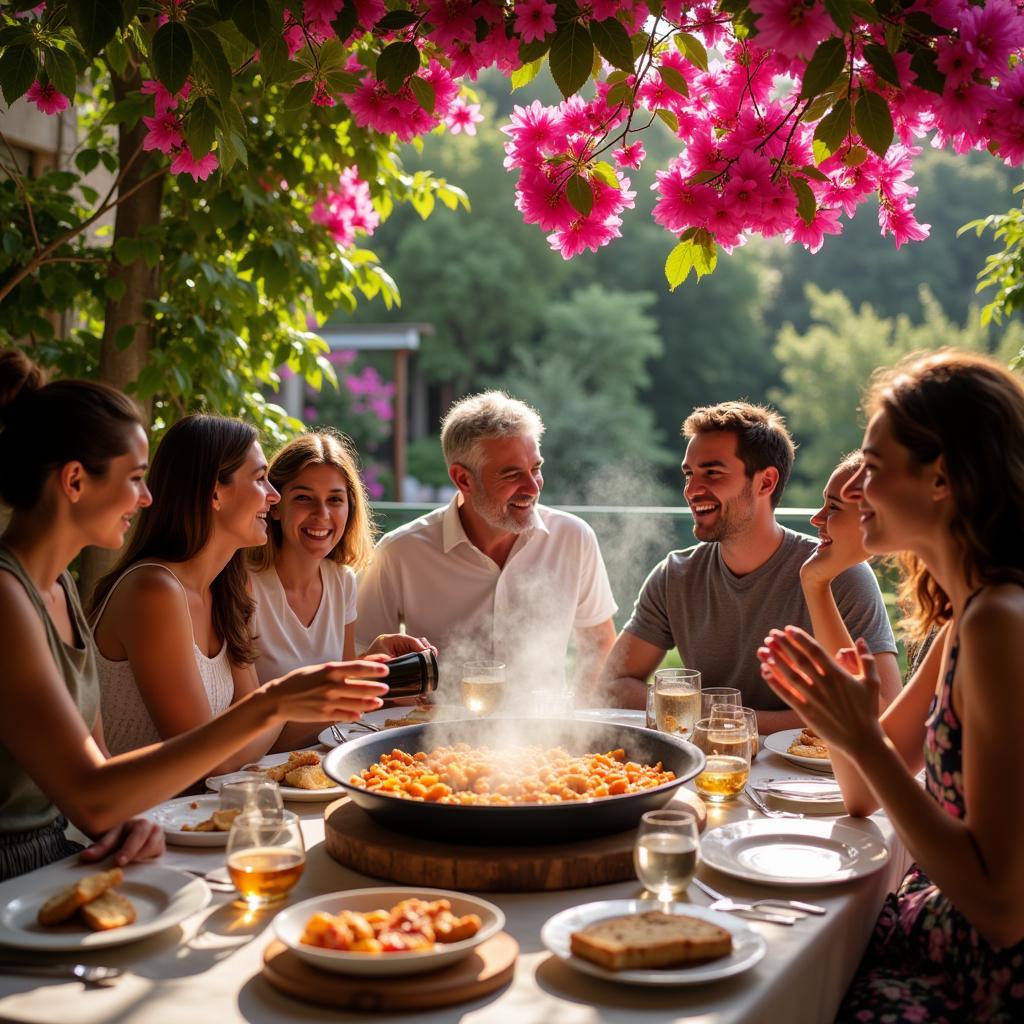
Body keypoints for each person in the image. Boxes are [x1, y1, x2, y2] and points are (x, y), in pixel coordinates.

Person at [0, 350, 387, 880]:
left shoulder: (60, 588)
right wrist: (274, 704)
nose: (145, 497)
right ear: (74, 482)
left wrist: (119, 824)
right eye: (134, 478)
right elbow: (99, 792)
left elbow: (102, 769)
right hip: (20, 869)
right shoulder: (17, 595)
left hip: (91, 845)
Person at [759, 350, 1024, 1020]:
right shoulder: (968, 618)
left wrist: (859, 736)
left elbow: (1001, 910)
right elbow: (860, 795)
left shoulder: (1000, 624)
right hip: (935, 935)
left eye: (871, 470)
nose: (855, 492)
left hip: (982, 981)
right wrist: (846, 721)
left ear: (941, 478)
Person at [598, 401, 899, 733]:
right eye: (689, 473)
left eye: (712, 472)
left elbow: (885, 713)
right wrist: (717, 716)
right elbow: (612, 684)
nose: (691, 489)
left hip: (809, 780)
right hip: (708, 769)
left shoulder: (840, 573)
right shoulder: (675, 575)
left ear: (766, 482)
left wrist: (714, 718)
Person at [357, 391, 617, 692]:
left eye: (536, 468)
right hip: (436, 734)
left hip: (547, 735)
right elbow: (361, 662)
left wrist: (578, 728)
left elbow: (599, 647)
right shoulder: (399, 552)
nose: (533, 487)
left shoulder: (574, 538)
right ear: (463, 480)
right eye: (512, 474)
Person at [248, 430, 434, 743]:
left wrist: (375, 663)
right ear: (275, 506)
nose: (322, 515)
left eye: (335, 499)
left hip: (323, 762)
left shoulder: (341, 580)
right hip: (259, 770)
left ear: (350, 508)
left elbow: (340, 701)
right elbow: (247, 731)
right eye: (304, 498)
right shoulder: (244, 588)